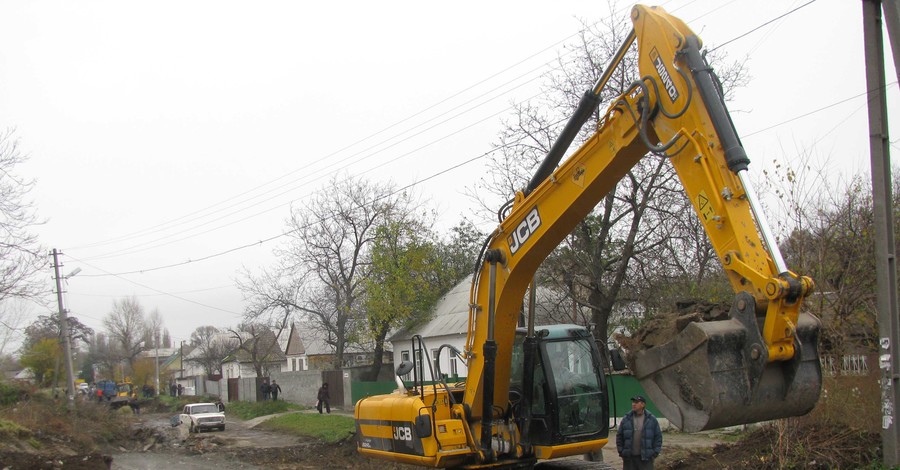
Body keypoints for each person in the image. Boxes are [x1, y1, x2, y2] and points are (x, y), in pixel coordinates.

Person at [616, 395, 662, 470]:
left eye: (636, 402)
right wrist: (621, 451)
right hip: (629, 459)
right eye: (633, 402)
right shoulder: (626, 418)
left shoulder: (651, 419)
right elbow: (619, 436)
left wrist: (654, 453)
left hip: (646, 459)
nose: (633, 404)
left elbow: (658, 437)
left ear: (643, 404)